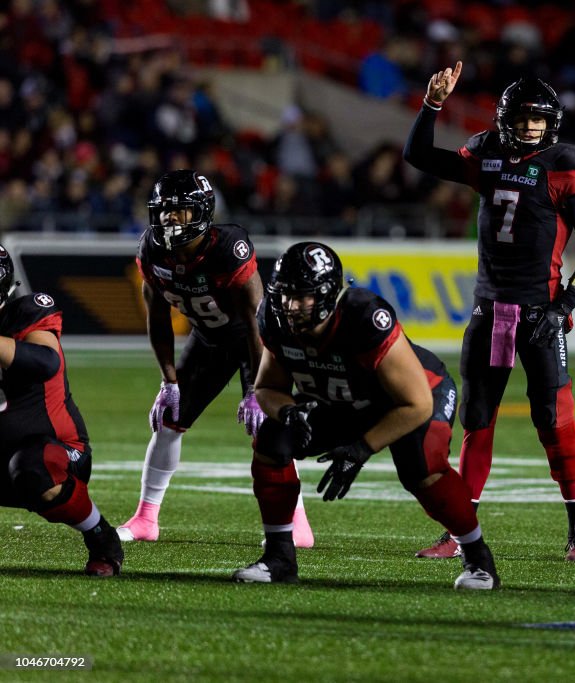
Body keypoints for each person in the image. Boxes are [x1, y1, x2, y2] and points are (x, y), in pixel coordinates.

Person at [403, 62, 575, 561]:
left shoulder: (565, 163)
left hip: (540, 311)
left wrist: (563, 307)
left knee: (552, 419)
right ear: (504, 119)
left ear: (552, 121)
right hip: (489, 309)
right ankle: (459, 531)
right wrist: (432, 104)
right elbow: (417, 155)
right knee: (477, 419)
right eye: (521, 117)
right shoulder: (485, 152)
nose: (529, 127)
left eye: (538, 118)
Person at [232, 242, 499, 589]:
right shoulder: (274, 318)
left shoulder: (363, 317)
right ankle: (279, 558)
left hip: (411, 397)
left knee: (421, 469)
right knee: (271, 438)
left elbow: (416, 403)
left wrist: (360, 450)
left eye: (302, 297)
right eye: (284, 295)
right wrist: (289, 412)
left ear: (328, 294)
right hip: (343, 400)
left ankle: (479, 560)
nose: (290, 306)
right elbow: (267, 386)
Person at [117, 170, 313, 546]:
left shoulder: (228, 247)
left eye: (181, 212)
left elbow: (257, 319)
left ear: (204, 212)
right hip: (208, 338)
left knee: (269, 429)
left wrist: (259, 388)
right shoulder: (152, 250)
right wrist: (168, 381)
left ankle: (296, 523)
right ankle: (145, 518)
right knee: (169, 418)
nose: (170, 220)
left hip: (257, 341)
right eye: (165, 212)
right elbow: (157, 319)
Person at [0, 244, 123, 576]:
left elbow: (45, 361)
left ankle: (101, 537)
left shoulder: (27, 312)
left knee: (32, 468)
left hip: (59, 452)